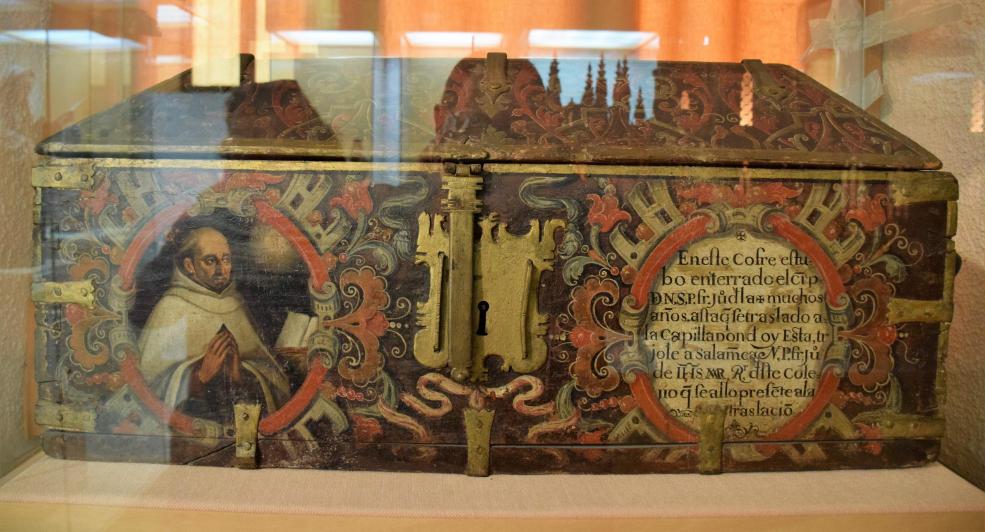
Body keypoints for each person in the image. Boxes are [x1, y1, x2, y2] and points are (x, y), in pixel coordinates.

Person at [138, 226, 290, 423]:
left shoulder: (236, 304)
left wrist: (241, 374)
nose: (221, 269)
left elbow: (274, 379)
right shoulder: (170, 307)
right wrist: (198, 376)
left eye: (226, 259)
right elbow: (148, 384)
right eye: (210, 260)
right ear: (190, 266)